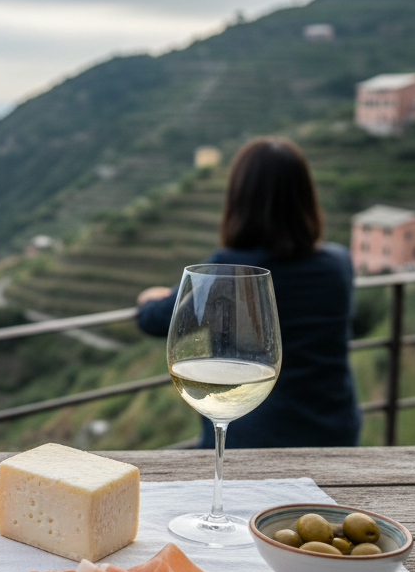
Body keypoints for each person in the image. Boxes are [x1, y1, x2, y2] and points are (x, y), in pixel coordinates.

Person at [135, 136, 360, 448]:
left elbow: (156, 320)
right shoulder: (338, 263)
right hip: (333, 432)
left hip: (251, 438)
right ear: (305, 197)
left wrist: (149, 298)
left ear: (239, 198)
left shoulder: (227, 270)